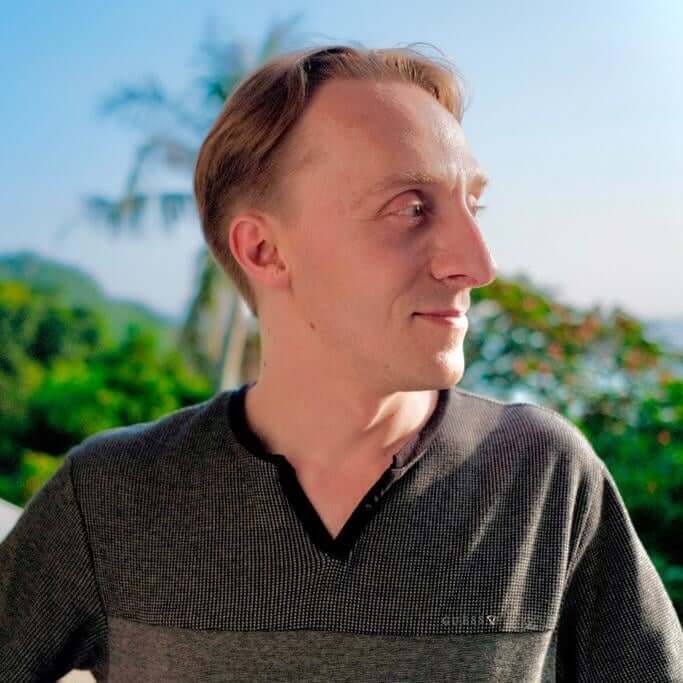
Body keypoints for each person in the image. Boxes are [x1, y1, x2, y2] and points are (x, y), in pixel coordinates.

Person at [1, 43, 682, 682]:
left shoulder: (542, 477)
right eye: (410, 208)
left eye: (472, 205)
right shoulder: (112, 495)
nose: (478, 263)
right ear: (264, 251)